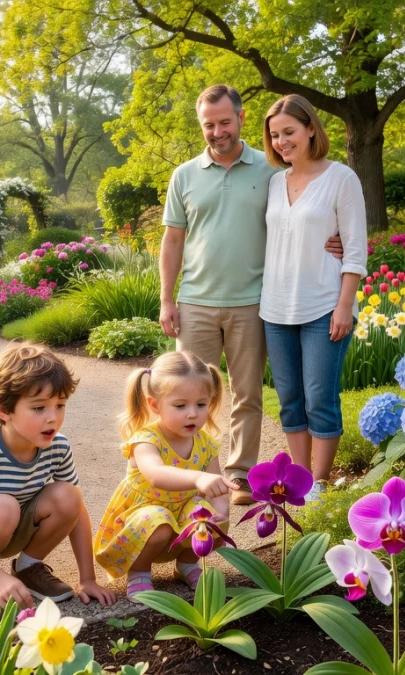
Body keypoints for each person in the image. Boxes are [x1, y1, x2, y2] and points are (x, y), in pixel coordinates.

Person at [159, 84, 343, 506]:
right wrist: (167, 299)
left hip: (253, 303)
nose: (217, 131)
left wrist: (331, 241)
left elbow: (303, 212)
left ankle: (239, 475)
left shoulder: (272, 170)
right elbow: (172, 241)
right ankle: (191, 476)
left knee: (247, 395)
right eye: (209, 124)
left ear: (241, 119)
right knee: (186, 395)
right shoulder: (184, 175)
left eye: (225, 122)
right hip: (195, 302)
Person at [0, 342, 115, 622]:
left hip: (16, 522)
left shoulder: (57, 447)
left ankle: (28, 568)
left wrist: (87, 578)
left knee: (69, 496)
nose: (53, 417)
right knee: (3, 507)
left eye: (60, 405)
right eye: (39, 407)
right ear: (4, 410)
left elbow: (77, 513)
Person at [260, 94, 368, 499]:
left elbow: (355, 248)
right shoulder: (274, 183)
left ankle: (319, 484)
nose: (282, 141)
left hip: (325, 305)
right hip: (275, 307)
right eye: (275, 135)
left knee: (320, 396)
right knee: (290, 399)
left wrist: (345, 305)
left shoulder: (341, 178)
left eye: (289, 132)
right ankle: (298, 480)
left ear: (310, 130)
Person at [93, 351, 236, 601]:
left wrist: (220, 512)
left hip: (181, 514)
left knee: (209, 516)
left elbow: (218, 487)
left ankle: (187, 564)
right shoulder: (146, 440)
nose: (192, 413)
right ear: (155, 405)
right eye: (180, 406)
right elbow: (157, 474)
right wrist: (197, 479)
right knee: (158, 521)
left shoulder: (205, 444)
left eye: (201, 404)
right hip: (143, 518)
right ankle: (139, 570)